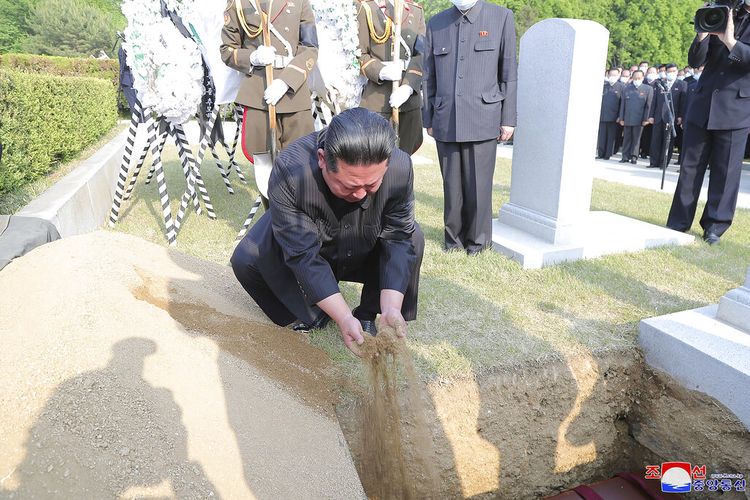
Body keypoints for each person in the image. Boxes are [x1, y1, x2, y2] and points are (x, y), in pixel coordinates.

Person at [231, 108, 424, 354]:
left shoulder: (400, 166)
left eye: (371, 184)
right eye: (349, 185)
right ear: (323, 159)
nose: (360, 195)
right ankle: (313, 312)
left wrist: (391, 308)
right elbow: (302, 255)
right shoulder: (291, 171)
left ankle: (367, 312)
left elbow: (399, 237)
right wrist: (342, 317)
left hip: (364, 235)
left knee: (414, 237)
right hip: (309, 230)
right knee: (247, 259)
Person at [422, 0, 517, 254]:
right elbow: (428, 74)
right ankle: (453, 241)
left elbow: (508, 71)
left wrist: (508, 118)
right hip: (447, 117)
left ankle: (478, 242)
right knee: (451, 186)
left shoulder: (501, 17)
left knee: (479, 186)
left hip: (483, 115)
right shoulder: (437, 23)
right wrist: (428, 117)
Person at [667, 2, 750, 244]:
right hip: (702, 104)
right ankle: (678, 222)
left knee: (725, 173)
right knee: (689, 168)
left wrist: (730, 40)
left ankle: (715, 226)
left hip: (736, 108)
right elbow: (695, 61)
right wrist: (702, 31)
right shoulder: (726, 14)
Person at [220, 0, 319, 155]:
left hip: (295, 92)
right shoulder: (240, 3)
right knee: (264, 165)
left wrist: (286, 81)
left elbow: (310, 48)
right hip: (258, 95)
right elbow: (227, 50)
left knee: (301, 163)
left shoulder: (300, 2)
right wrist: (253, 57)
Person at [357, 0, 427, 155]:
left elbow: (422, 54)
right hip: (377, 101)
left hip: (409, 101)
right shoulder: (366, 8)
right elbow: (358, 54)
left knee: (404, 159)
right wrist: (381, 70)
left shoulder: (416, 11)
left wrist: (408, 87)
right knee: (375, 158)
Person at [648, 63, 686, 168]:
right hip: (658, 116)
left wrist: (680, 116)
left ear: (677, 72)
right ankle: (653, 162)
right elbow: (654, 101)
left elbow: (683, 102)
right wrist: (651, 115)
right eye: (669, 72)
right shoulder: (660, 83)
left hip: (671, 117)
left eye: (673, 71)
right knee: (655, 140)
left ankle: (663, 163)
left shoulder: (682, 85)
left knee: (668, 141)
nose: (671, 73)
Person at [618, 70, 653, 164]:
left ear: (643, 77)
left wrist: (646, 119)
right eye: (635, 78)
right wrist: (621, 118)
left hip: (640, 119)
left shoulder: (648, 89)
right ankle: (625, 156)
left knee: (636, 139)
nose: (637, 80)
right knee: (627, 138)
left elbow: (648, 105)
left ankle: (634, 156)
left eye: (639, 78)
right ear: (632, 78)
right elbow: (623, 105)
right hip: (628, 117)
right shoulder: (627, 88)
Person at [597, 68, 625, 160]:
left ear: (618, 76)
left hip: (614, 117)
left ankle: (608, 154)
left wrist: (620, 116)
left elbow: (622, 104)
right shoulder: (603, 86)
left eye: (615, 75)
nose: (612, 77)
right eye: (611, 75)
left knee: (611, 136)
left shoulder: (621, 87)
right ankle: (601, 153)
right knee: (602, 135)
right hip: (602, 115)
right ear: (608, 76)